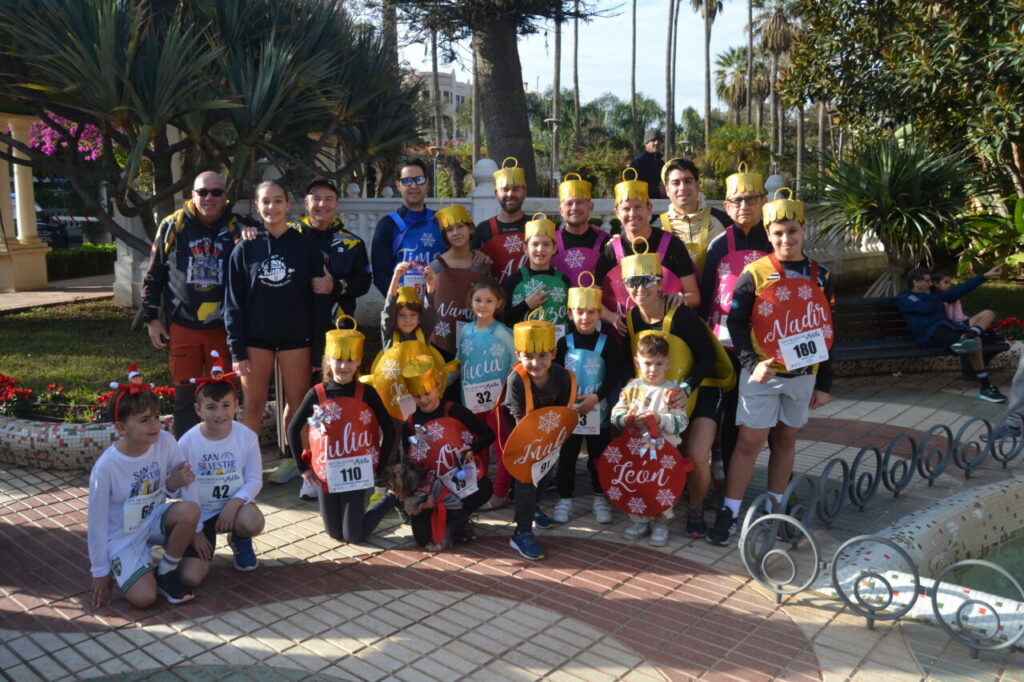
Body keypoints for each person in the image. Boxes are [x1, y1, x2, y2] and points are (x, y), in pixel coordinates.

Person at [708, 189, 835, 545]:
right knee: (749, 441)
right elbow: (736, 324)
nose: (786, 239)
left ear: (804, 230)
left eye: (792, 231)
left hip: (803, 374)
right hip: (763, 373)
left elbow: (828, 330)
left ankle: (776, 510)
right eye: (778, 233)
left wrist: (824, 382)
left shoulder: (821, 275)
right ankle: (730, 510)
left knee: (786, 438)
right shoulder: (754, 273)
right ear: (768, 234)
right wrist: (751, 362)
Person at [620, 246, 727, 538]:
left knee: (696, 454)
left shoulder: (680, 315)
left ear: (659, 282)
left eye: (646, 280)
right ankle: (654, 506)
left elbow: (706, 356)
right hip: (659, 398)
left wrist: (687, 387)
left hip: (699, 390)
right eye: (632, 281)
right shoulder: (631, 319)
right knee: (659, 451)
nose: (639, 288)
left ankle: (695, 507)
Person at [224, 180, 326, 483]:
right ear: (257, 207)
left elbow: (317, 300)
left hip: (296, 338)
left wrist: (318, 347)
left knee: (298, 404)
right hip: (256, 340)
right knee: (253, 405)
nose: (272, 207)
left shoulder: (305, 245)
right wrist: (237, 349)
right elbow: (233, 303)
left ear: (288, 205)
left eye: (278, 201)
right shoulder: (245, 248)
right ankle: (246, 472)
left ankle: (301, 466)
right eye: (266, 202)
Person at [141, 171, 250, 438]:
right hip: (183, 326)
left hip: (223, 329)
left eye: (216, 192)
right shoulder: (172, 225)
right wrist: (151, 318)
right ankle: (185, 459)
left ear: (226, 196)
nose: (209, 197)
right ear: (192, 195)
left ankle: (223, 451)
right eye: (203, 192)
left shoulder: (241, 227)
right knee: (185, 398)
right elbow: (154, 274)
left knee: (224, 398)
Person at [87, 385, 201, 608]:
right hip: (122, 536)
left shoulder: (165, 441)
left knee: (190, 510)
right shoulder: (106, 467)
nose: (154, 425)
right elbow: (96, 523)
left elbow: (184, 482)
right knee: (144, 598)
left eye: (157, 417)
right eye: (145, 419)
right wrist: (99, 570)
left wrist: (197, 530)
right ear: (121, 427)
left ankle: (166, 572)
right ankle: (132, 566)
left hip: (153, 520)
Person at [288, 324, 398, 543]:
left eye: (349, 360)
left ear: (358, 361)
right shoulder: (317, 393)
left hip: (357, 474)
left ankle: (392, 498)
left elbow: (389, 427)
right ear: (328, 359)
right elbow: (293, 427)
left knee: (353, 536)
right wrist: (302, 468)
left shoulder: (366, 392)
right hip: (327, 473)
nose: (343, 366)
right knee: (334, 533)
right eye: (338, 359)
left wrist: (380, 465)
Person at [699, 164, 774, 478]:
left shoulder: (774, 242)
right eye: (737, 200)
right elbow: (706, 297)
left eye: (751, 199)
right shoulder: (718, 245)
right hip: (726, 344)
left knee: (764, 420)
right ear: (727, 206)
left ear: (762, 202)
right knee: (729, 415)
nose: (744, 206)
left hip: (766, 346)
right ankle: (728, 477)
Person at [177, 363, 265, 584]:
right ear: (198, 410)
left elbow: (255, 479)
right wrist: (195, 530)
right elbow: (182, 488)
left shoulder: (246, 436)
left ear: (236, 405)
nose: (219, 414)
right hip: (201, 514)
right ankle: (198, 544)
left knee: (253, 521)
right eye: (211, 407)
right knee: (190, 578)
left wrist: (233, 504)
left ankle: (240, 539)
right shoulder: (187, 442)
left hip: (233, 510)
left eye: (226, 405)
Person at [399, 355, 495, 550]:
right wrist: (419, 501)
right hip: (430, 489)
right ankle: (450, 520)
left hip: (459, 483)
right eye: (417, 396)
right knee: (422, 539)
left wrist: (472, 448)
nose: (424, 399)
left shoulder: (455, 410)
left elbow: (488, 434)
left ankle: (459, 520)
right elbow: (407, 466)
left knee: (484, 488)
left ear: (438, 384)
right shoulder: (410, 424)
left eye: (427, 392)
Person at [501, 318, 577, 560]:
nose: (536, 363)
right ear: (518, 354)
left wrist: (550, 443)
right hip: (520, 432)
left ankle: (533, 506)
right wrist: (536, 447)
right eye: (529, 356)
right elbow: (517, 418)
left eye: (543, 355)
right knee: (526, 478)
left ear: (553, 352)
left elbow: (564, 411)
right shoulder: (516, 379)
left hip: (549, 433)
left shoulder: (564, 377)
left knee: (544, 475)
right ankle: (521, 533)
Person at [553, 275, 622, 524]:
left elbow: (614, 376)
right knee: (568, 456)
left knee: (598, 457)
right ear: (570, 314)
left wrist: (597, 396)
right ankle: (565, 498)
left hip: (598, 412)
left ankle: (599, 496)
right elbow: (557, 375)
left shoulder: (608, 343)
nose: (586, 317)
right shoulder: (563, 344)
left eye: (592, 312)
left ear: (599, 314)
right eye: (580, 312)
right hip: (571, 411)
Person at [611, 334, 690, 546]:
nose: (652, 369)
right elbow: (616, 413)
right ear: (637, 362)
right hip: (635, 450)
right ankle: (639, 520)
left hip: (663, 452)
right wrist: (627, 419)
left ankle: (661, 522)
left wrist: (661, 419)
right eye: (647, 363)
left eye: (658, 364)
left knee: (660, 486)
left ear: (668, 364)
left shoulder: (671, 392)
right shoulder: (631, 389)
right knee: (636, 484)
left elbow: (681, 421)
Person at [600, 168, 699, 327]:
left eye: (638, 207)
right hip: (624, 337)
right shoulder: (611, 250)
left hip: (667, 337)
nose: (632, 214)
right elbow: (591, 297)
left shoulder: (672, 245)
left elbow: (694, 295)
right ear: (617, 213)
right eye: (626, 209)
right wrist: (611, 317)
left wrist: (681, 298)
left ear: (649, 208)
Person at [898, 265, 1006, 403]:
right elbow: (925, 308)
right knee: (975, 342)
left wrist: (984, 276)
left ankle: (969, 336)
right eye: (927, 281)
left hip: (949, 328)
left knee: (988, 314)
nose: (931, 284)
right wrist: (940, 303)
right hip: (931, 334)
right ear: (915, 282)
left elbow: (958, 290)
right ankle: (985, 386)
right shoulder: (906, 297)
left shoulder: (934, 296)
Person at [457, 279, 517, 509]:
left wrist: (508, 396)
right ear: (470, 302)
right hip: (470, 402)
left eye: (489, 301)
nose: (482, 305)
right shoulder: (466, 331)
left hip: (496, 405)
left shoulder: (502, 333)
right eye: (478, 300)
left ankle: (500, 493)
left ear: (499, 303)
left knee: (500, 449)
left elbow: (516, 365)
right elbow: (459, 362)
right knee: (475, 447)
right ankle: (478, 489)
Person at [291, 178, 372, 339]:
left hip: (339, 328)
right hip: (294, 325)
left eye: (328, 199)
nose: (322, 205)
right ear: (306, 203)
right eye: (316, 199)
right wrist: (248, 230)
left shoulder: (353, 243)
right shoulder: (289, 236)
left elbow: (364, 282)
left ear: (337, 204)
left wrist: (334, 286)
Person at [425, 204, 492, 363]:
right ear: (445, 235)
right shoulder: (436, 266)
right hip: (441, 343)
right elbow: (428, 307)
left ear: (471, 229)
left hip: (476, 341)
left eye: (460, 226)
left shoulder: (482, 264)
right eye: (449, 229)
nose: (456, 233)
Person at [370, 158, 444, 297]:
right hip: (405, 310)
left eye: (419, 180)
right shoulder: (387, 224)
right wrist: (400, 305)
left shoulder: (441, 220)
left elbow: (459, 257)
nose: (414, 186)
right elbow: (380, 275)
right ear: (398, 185)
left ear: (427, 183)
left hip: (439, 306)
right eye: (407, 181)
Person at [656, 157, 730, 278]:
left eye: (688, 181)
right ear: (667, 190)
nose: (682, 188)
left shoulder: (723, 221)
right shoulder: (657, 227)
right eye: (676, 183)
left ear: (697, 185)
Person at [503, 212, 571, 337]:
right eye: (535, 244)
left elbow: (572, 319)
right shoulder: (515, 279)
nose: (540, 249)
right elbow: (502, 317)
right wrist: (525, 305)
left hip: (557, 349)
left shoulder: (564, 280)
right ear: (525, 248)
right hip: (524, 351)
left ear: (554, 248)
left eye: (546, 244)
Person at [472, 157, 529, 285]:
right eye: (505, 189)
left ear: (524, 192)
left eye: (516, 189)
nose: (510, 194)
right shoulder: (483, 229)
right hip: (494, 302)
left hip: (531, 301)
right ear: (496, 193)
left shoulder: (536, 225)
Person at [551, 173, 609, 284]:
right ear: (561, 210)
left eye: (579, 202)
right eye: (569, 203)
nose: (574, 208)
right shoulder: (550, 242)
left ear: (590, 207)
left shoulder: (605, 243)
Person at [630, 129, 665, 199]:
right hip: (643, 204)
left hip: (662, 204)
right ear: (646, 143)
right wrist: (657, 192)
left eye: (659, 141)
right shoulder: (638, 163)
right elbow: (634, 187)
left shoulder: (662, 164)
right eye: (653, 140)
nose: (657, 143)